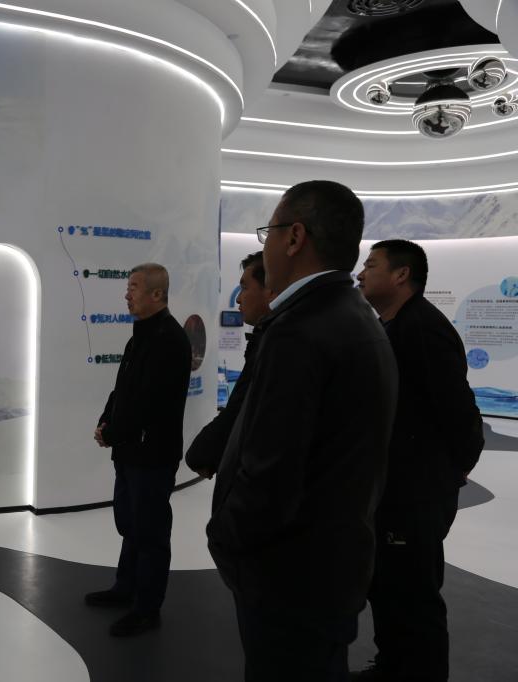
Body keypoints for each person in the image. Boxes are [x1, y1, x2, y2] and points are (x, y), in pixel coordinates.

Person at [206, 180, 398, 681]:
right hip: (329, 568)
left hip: (288, 576)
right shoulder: (353, 315)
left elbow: (270, 473)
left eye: (268, 232)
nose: (265, 244)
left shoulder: (300, 330)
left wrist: (224, 537)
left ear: (294, 237)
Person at [352, 240, 484, 682]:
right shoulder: (393, 325)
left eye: (371, 265)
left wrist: (452, 469)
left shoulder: (422, 328)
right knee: (389, 588)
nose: (361, 273)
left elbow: (459, 409)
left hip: (416, 493)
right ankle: (393, 667)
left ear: (401, 274)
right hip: (395, 488)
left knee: (414, 595)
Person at [84, 263, 192, 637]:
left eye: (133, 287)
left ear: (156, 294)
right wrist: (107, 420)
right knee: (131, 525)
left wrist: (113, 432)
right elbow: (123, 390)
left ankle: (147, 608)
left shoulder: (169, 339)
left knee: (150, 533)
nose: (126, 294)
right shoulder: (141, 336)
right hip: (131, 451)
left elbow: (150, 404)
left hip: (152, 455)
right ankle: (125, 588)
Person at [186, 251, 273, 479]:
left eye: (244, 288)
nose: (238, 299)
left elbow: (242, 409)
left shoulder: (277, 344)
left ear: (270, 290)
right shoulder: (265, 339)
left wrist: (204, 451)